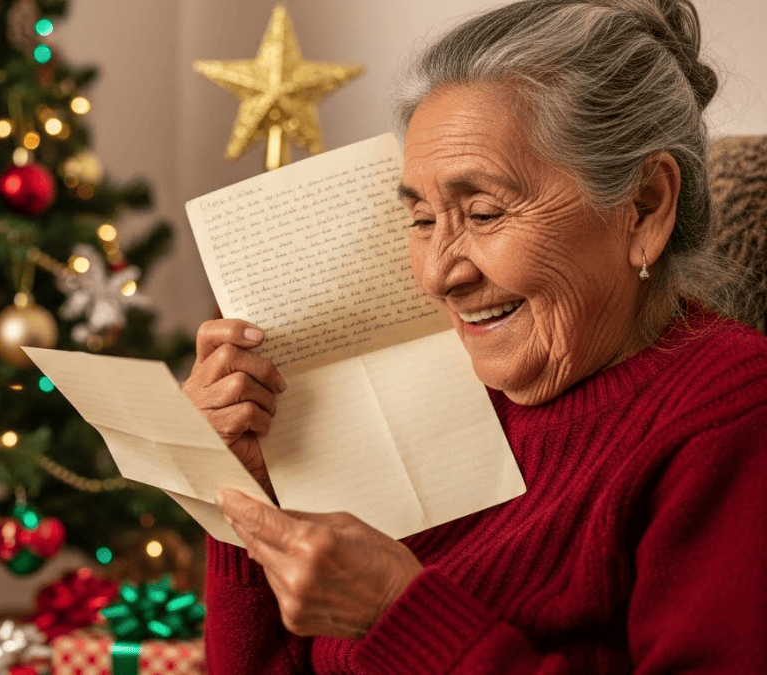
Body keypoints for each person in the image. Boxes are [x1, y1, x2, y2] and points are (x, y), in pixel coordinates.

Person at [181, 0, 767, 672]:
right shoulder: (447, 378)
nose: (437, 276)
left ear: (645, 206)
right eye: (423, 219)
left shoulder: (732, 420)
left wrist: (398, 616)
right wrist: (242, 491)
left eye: (484, 212)